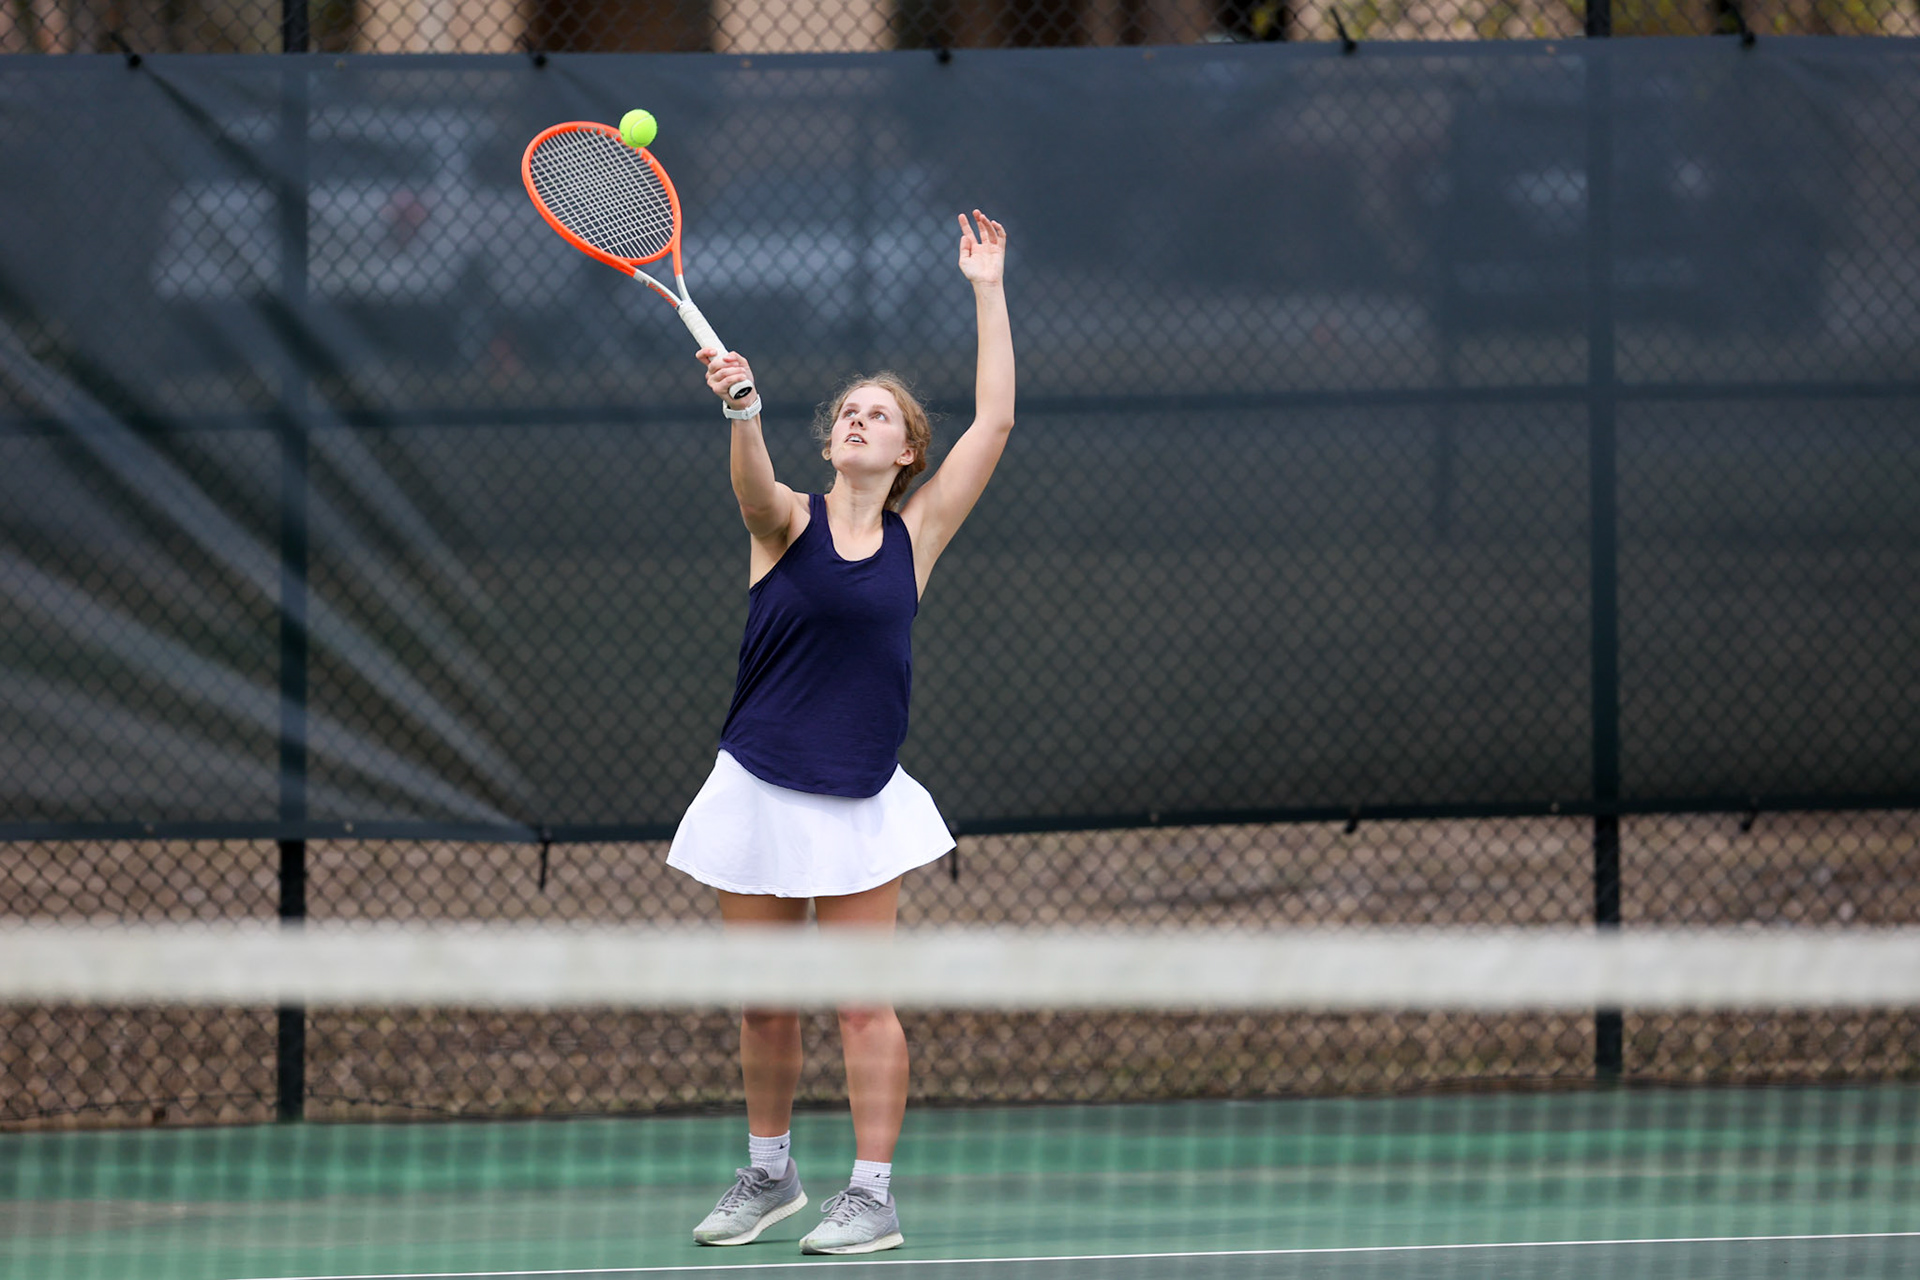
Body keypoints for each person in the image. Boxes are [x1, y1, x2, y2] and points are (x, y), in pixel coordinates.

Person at [665, 210, 1013, 1256]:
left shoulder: (918, 535)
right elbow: (751, 483)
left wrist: (987, 288)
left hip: (860, 791)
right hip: (759, 782)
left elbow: (993, 423)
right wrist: (742, 408)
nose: (858, 422)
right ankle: (769, 1173)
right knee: (767, 1007)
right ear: (828, 442)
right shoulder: (785, 523)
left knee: (865, 1006)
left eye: (879, 416)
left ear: (908, 452)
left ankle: (872, 1193)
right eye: (847, 414)